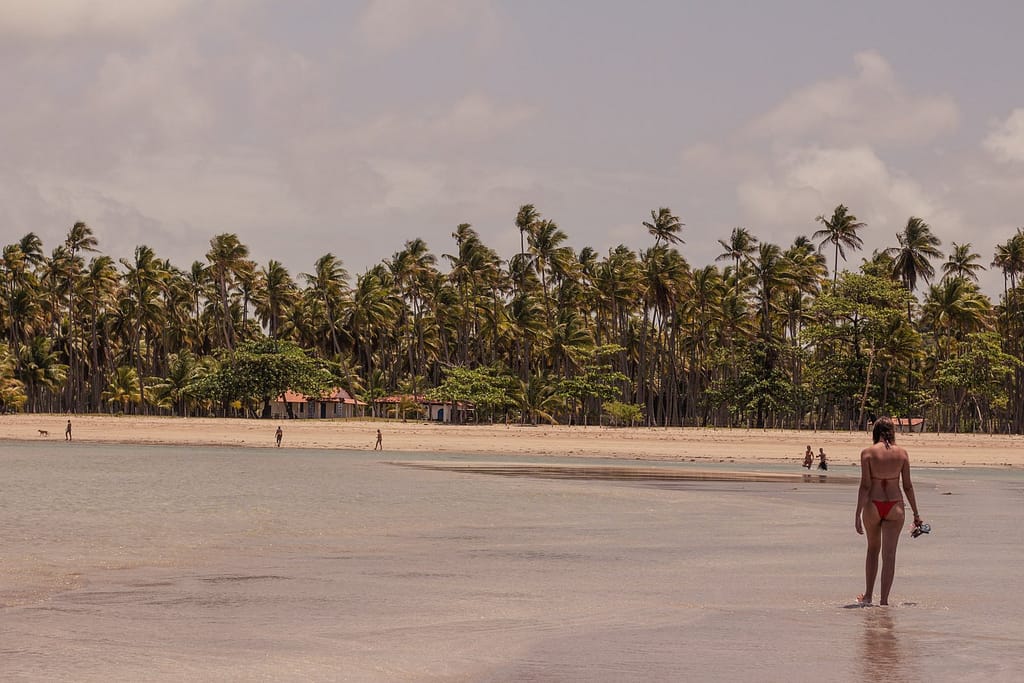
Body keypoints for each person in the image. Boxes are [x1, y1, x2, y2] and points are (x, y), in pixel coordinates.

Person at [855, 416, 923, 606]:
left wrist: (857, 513)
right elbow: (908, 486)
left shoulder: (867, 453)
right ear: (892, 432)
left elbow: (865, 486)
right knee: (890, 555)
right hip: (895, 505)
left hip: (873, 504)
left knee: (872, 549)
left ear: (874, 432)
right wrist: (916, 514)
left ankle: (868, 596)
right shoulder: (902, 454)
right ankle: (884, 601)